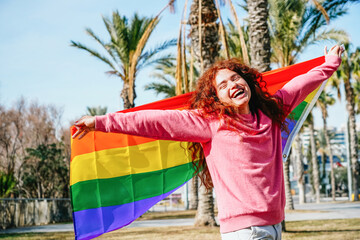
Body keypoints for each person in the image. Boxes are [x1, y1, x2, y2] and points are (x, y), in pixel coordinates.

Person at [73, 45, 343, 239]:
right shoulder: (210, 123)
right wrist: (100, 121)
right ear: (217, 98)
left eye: (235, 78)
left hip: (274, 225)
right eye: (223, 85)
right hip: (244, 232)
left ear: (247, 81)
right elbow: (156, 121)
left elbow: (302, 83)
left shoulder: (271, 112)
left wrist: (330, 63)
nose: (232, 84)